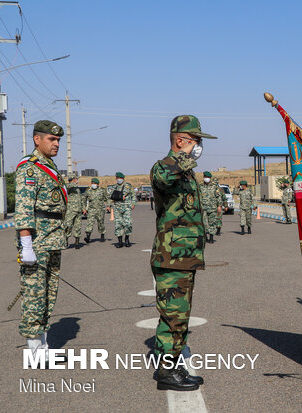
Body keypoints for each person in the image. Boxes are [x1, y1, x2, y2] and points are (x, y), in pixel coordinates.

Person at [150, 114, 215, 391]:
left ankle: (174, 365)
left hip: (184, 255)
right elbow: (163, 179)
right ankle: (166, 372)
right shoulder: (165, 167)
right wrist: (184, 156)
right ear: (180, 140)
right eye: (196, 140)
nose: (199, 145)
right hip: (171, 256)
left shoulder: (185, 171)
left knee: (181, 317)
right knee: (172, 317)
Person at [14, 120, 68, 366]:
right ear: (37, 139)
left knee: (48, 296)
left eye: (58, 140)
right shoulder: (30, 168)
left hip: (52, 239)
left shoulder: (49, 167)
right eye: (52, 139)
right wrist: (26, 246)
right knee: (35, 298)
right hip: (37, 242)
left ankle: (44, 349)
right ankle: (35, 353)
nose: (56, 144)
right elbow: (24, 210)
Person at [107, 172, 136, 248]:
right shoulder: (113, 187)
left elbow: (133, 195)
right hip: (117, 208)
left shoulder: (128, 186)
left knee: (128, 224)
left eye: (120, 178)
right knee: (118, 225)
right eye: (117, 178)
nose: (119, 179)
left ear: (123, 178)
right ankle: (120, 242)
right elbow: (110, 198)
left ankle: (127, 239)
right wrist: (108, 206)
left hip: (127, 208)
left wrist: (133, 203)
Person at [83, 178, 108, 243]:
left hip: (100, 210)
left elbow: (107, 198)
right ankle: (88, 236)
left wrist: (108, 206)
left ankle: (102, 234)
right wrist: (84, 208)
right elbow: (84, 199)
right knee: (90, 223)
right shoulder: (88, 190)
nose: (93, 184)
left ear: (98, 184)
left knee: (101, 223)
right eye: (92, 183)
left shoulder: (102, 190)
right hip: (91, 210)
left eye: (94, 183)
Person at [199, 171, 221, 244]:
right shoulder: (200, 186)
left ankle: (211, 237)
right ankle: (205, 237)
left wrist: (219, 206)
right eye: (205, 177)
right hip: (203, 208)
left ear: (210, 178)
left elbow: (218, 196)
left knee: (212, 223)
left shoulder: (214, 186)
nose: (206, 178)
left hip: (213, 208)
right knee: (204, 223)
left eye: (208, 177)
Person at [64, 173, 83, 249]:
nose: (77, 180)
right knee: (68, 226)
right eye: (76, 179)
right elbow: (67, 186)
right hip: (70, 211)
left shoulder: (77, 189)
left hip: (78, 210)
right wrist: (72, 183)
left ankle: (77, 242)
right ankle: (66, 241)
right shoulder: (68, 186)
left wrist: (83, 208)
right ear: (73, 179)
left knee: (78, 227)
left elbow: (80, 199)